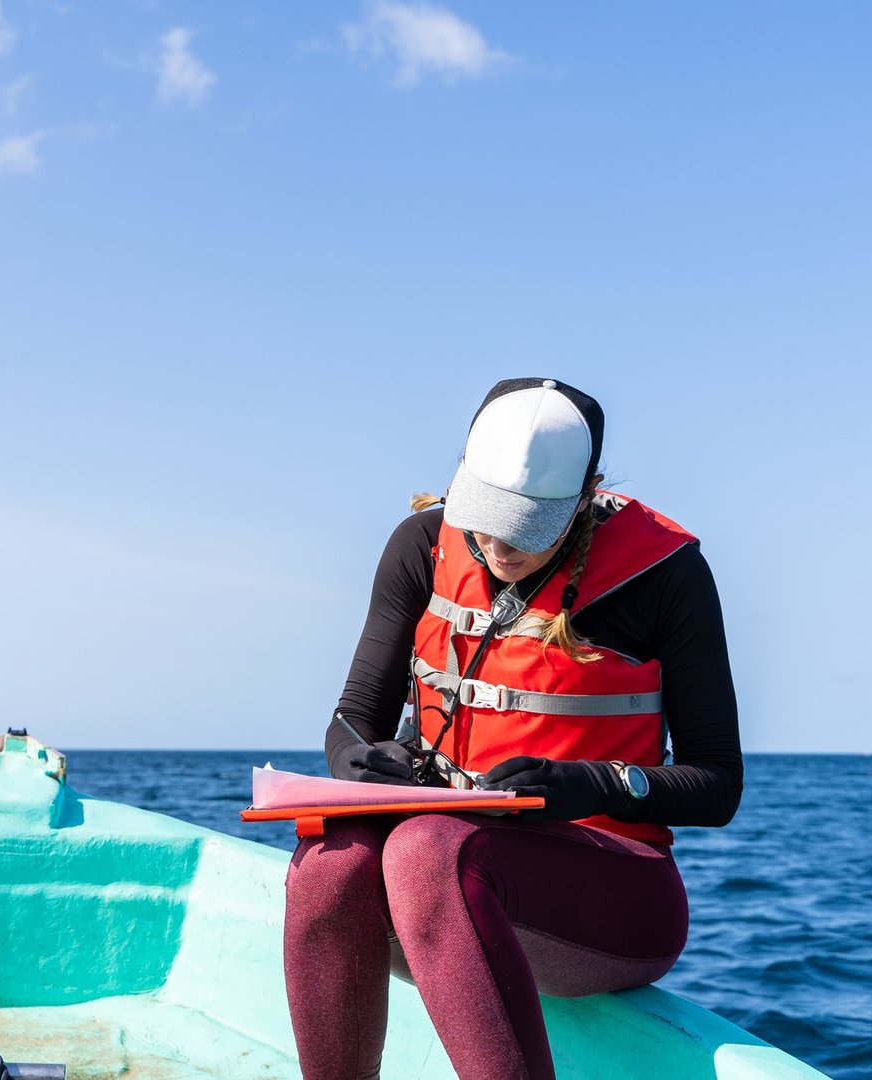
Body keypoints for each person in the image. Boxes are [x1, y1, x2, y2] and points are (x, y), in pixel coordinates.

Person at [283, 378, 743, 1080]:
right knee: (331, 859)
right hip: (441, 884)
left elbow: (717, 784)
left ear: (585, 494)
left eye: (527, 525)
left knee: (427, 852)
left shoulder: (668, 577)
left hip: (611, 897)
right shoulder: (420, 545)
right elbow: (351, 721)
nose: (499, 544)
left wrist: (593, 783)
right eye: (487, 515)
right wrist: (359, 763)